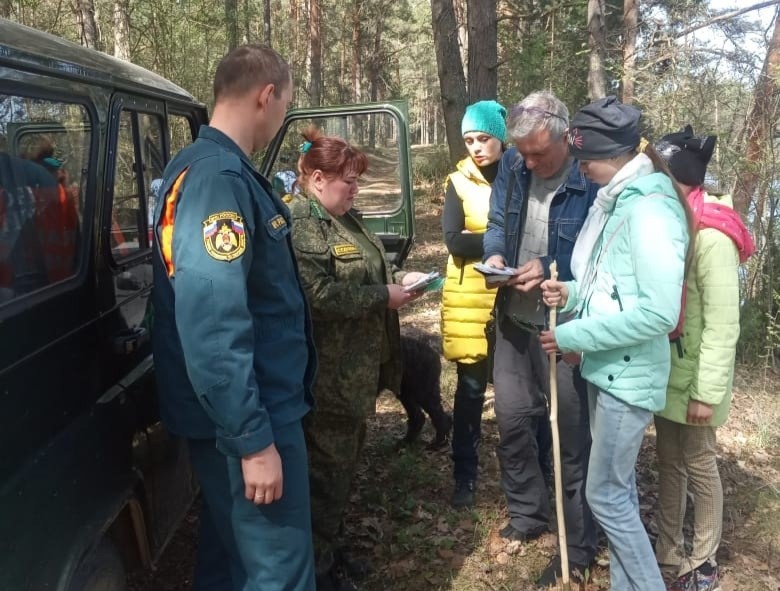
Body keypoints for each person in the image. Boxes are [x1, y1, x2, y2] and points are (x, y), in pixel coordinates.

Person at [151, 45, 318, 591]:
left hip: (238, 412)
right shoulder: (217, 180)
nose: (279, 120)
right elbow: (214, 327)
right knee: (278, 571)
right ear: (266, 97)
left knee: (231, 562)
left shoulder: (204, 168)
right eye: (284, 105)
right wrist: (253, 440)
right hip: (249, 417)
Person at [539, 96, 691, 591]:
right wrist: (572, 292)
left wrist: (570, 334)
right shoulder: (621, 200)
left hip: (628, 378)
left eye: (586, 161)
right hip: (607, 369)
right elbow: (613, 286)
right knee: (618, 492)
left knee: (604, 495)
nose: (581, 170)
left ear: (615, 156)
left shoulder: (650, 211)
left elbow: (657, 312)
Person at [286, 127, 427, 591]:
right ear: (318, 178)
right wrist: (380, 298)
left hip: (357, 376)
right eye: (349, 181)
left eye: (358, 181)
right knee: (323, 479)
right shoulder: (303, 224)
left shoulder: (347, 218)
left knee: (340, 474)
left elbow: (373, 268)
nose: (355, 190)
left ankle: (329, 548)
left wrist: (402, 279)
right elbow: (316, 296)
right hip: (327, 381)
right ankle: (318, 570)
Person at [481, 90, 598, 586]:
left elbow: (597, 262)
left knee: (571, 440)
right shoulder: (512, 164)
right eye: (522, 153)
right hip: (512, 319)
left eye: (538, 154)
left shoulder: (589, 179)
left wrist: (550, 265)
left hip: (563, 330)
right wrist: (495, 258)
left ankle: (579, 544)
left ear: (565, 138)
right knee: (511, 421)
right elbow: (496, 222)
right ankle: (528, 515)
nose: (528, 162)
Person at [653, 126, 754, 591]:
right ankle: (668, 552)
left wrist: (707, 394)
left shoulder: (712, 235)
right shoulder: (673, 222)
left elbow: (722, 324)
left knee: (699, 463)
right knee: (667, 461)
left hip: (697, 379)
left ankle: (703, 560)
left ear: (680, 179)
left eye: (659, 174)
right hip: (668, 370)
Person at [440, 100, 505, 508]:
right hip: (469, 300)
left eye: (483, 138)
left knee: (522, 391)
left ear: (501, 136)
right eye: (469, 140)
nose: (476, 147)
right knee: (470, 391)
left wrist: (478, 237)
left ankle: (535, 470)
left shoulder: (521, 174)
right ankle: (464, 473)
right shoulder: (458, 181)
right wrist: (502, 241)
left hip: (514, 295)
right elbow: (453, 240)